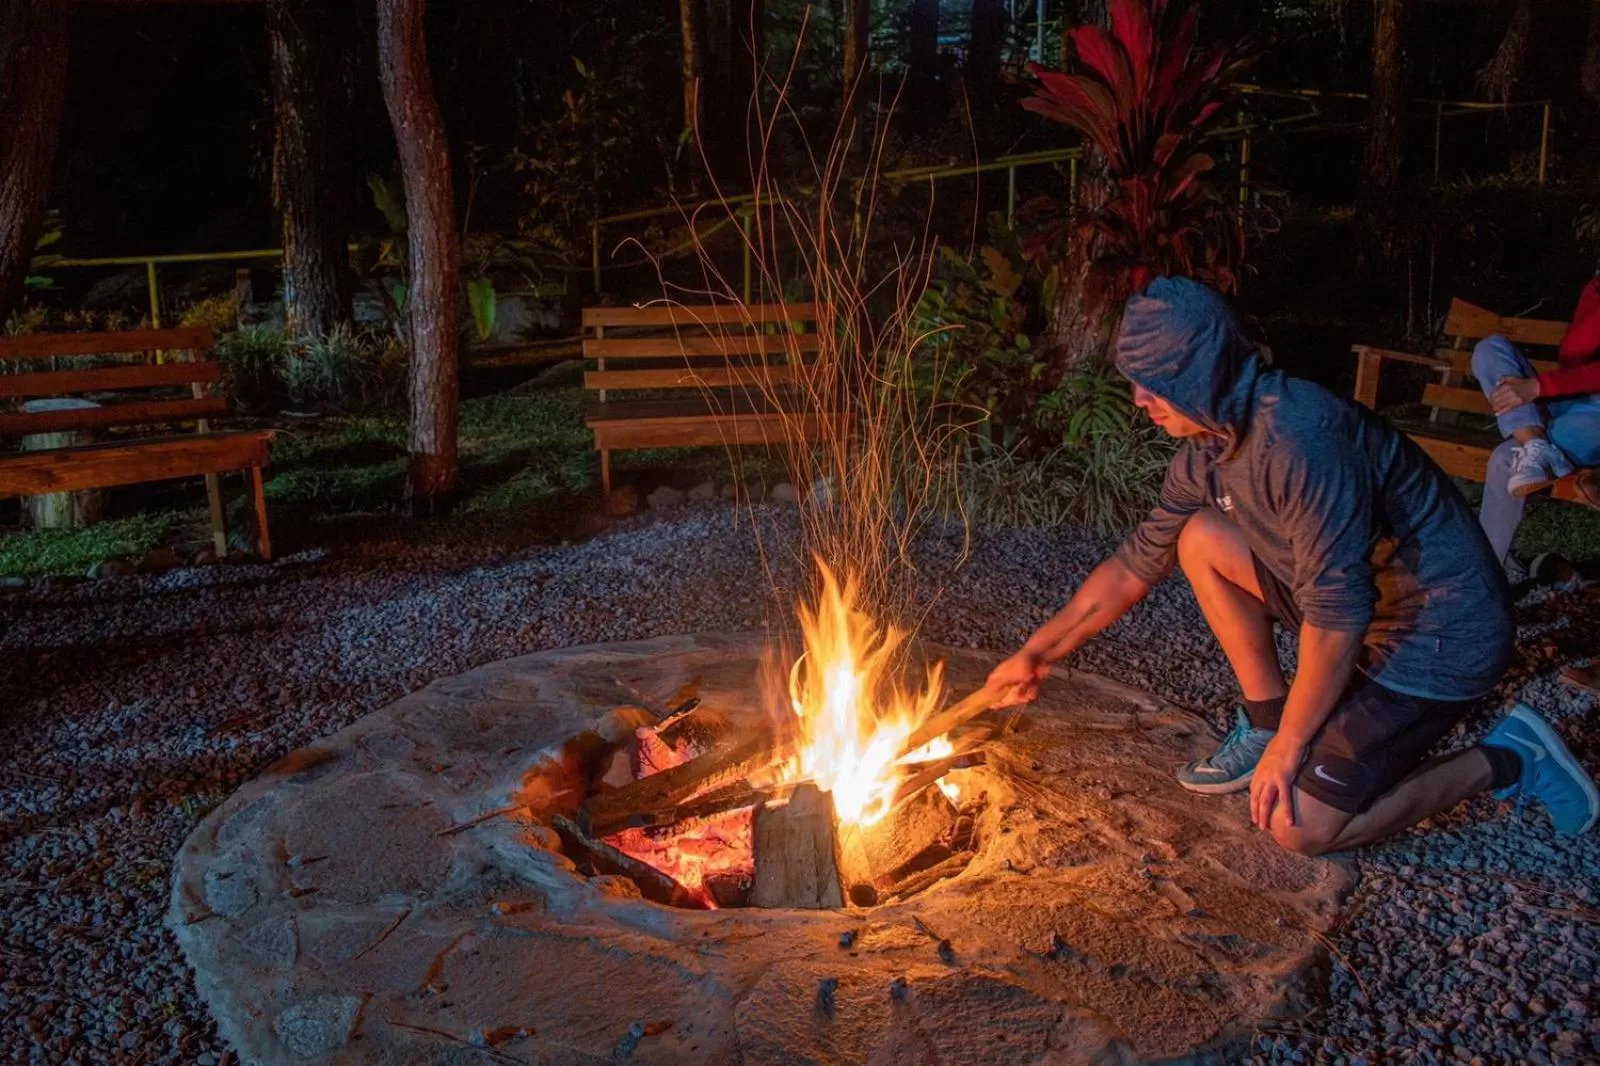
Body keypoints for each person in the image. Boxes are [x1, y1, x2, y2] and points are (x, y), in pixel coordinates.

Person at [988, 277, 1599, 854]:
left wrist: (1292, 748)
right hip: (1362, 611)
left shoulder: (1300, 440)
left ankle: (1512, 757)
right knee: (1198, 536)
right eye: (1134, 380)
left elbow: (1338, 616)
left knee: (1297, 826)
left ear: (1203, 371)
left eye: (1156, 381)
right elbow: (1131, 566)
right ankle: (1266, 719)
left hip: (1438, 634)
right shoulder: (1208, 449)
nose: (1141, 399)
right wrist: (1037, 653)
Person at [1473, 274, 1600, 564]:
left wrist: (1537, 387)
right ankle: (1535, 443)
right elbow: (1574, 355)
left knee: (1506, 459)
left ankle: (1483, 576)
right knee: (1490, 348)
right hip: (1569, 400)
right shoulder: (1595, 288)